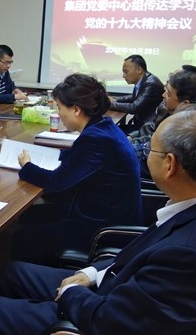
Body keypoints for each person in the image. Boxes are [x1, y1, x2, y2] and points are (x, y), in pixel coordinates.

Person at [0, 107, 196, 335]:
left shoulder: (190, 258)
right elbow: (144, 256)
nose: (143, 154)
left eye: (149, 150)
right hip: (115, 283)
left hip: (102, 310)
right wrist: (93, 272)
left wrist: (70, 293)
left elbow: (112, 320)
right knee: (13, 273)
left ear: (170, 164)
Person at [13, 73, 141, 265]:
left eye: (60, 108)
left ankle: (32, 275)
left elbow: (56, 183)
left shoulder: (94, 139)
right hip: (100, 211)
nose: (58, 114)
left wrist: (27, 166)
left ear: (76, 110)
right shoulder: (103, 126)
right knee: (31, 215)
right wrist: (52, 155)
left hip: (103, 228)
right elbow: (78, 159)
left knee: (22, 238)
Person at [130, 68, 196, 177]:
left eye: (168, 94)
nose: (163, 95)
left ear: (185, 104)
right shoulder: (179, 115)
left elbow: (159, 157)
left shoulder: (192, 129)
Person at [110, 54, 164, 133]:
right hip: (140, 124)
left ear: (139, 70)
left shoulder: (151, 83)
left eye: (126, 71)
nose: (123, 76)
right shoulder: (144, 80)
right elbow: (134, 97)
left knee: (112, 131)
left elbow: (134, 107)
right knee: (112, 129)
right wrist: (115, 99)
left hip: (146, 129)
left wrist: (109, 104)